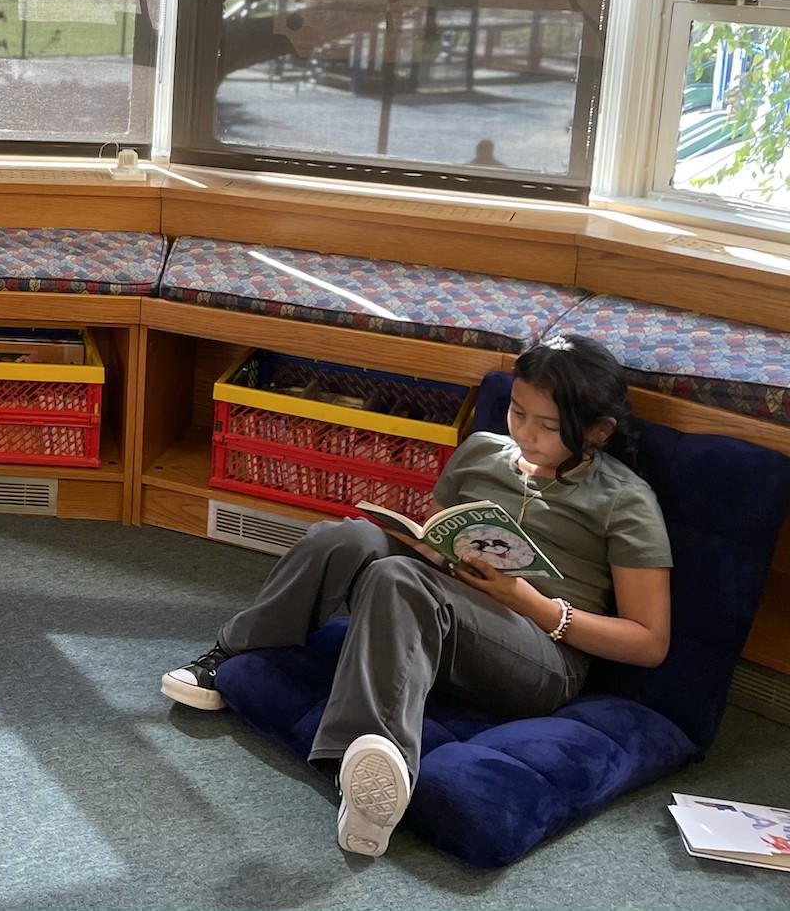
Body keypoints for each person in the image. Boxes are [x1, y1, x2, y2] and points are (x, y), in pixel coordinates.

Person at [160, 333, 671, 857]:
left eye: (548, 425)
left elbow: (648, 642)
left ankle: (372, 768)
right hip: (453, 614)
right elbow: (438, 535)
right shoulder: (482, 454)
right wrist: (430, 548)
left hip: (543, 656)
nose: (526, 434)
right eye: (518, 413)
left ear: (597, 431)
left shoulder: (625, 502)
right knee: (346, 536)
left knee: (397, 578)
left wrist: (527, 601)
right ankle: (231, 656)